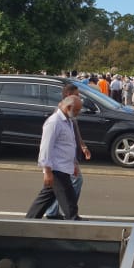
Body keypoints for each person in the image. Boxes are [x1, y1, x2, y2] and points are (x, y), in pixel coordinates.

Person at [25, 95, 86, 220]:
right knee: (69, 203)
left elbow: (69, 144)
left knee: (46, 198)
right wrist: (47, 171)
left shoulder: (67, 121)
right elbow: (45, 148)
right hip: (56, 169)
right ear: (68, 107)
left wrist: (73, 163)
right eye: (76, 110)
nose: (78, 113)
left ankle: (29, 221)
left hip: (64, 167)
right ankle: (75, 223)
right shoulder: (54, 122)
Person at [44, 84, 91, 220]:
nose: (79, 97)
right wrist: (47, 170)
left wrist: (82, 146)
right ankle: (68, 211)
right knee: (74, 182)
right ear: (68, 96)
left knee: (55, 188)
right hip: (60, 160)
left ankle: (56, 211)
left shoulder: (70, 111)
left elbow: (74, 131)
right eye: (76, 94)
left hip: (68, 158)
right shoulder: (59, 115)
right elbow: (46, 146)